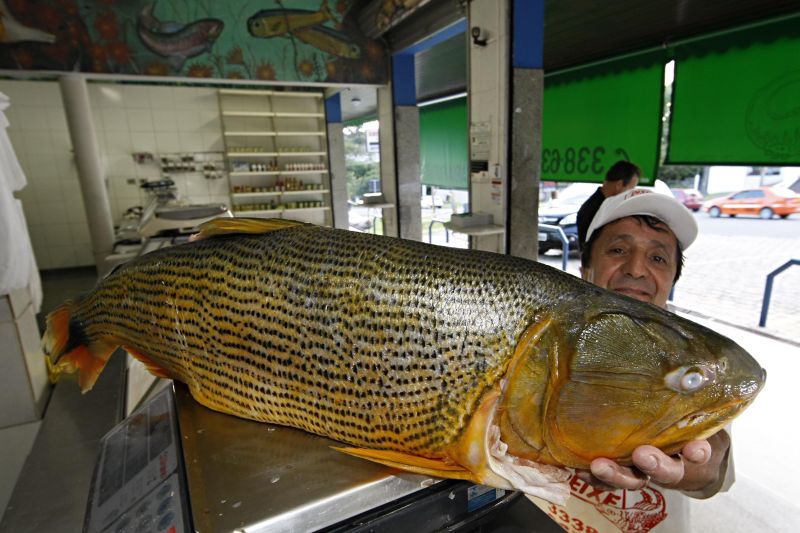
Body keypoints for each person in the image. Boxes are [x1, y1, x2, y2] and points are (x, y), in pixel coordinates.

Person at [531, 188, 733, 533]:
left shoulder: (694, 359)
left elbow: (714, 467)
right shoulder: (543, 336)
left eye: (658, 258)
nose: (636, 269)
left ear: (671, 280)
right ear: (586, 268)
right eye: (618, 250)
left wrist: (691, 465)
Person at [576, 160, 641, 252]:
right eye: (631, 188)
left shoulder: (605, 204)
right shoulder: (596, 209)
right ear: (619, 185)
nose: (631, 193)